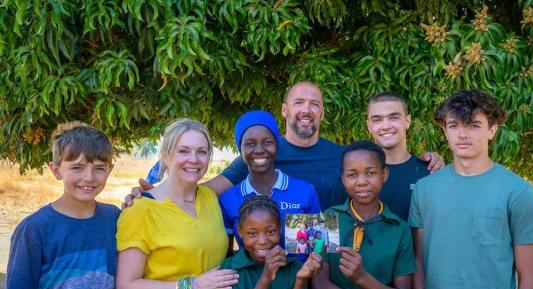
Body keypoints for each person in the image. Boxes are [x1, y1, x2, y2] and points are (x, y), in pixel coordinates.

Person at [125, 82, 444, 210]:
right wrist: (153, 196)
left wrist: (428, 159)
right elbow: (208, 189)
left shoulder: (340, 155)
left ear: (321, 112)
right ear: (285, 110)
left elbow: (377, 171)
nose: (307, 109)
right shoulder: (262, 154)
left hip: (324, 263)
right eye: (299, 102)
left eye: (314, 104)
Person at [409, 90, 533, 289]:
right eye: (454, 125)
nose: (462, 134)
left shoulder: (518, 193)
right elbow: (419, 261)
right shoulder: (424, 190)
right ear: (445, 131)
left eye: (473, 125)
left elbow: (531, 278)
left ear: (492, 130)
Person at [115, 119, 239, 289]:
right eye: (183, 151)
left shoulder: (210, 198)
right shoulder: (141, 210)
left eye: (201, 152)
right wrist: (192, 286)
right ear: (165, 155)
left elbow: (249, 159)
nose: (194, 159)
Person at [4, 122, 119, 289]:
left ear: (110, 169)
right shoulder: (34, 229)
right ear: (56, 170)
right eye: (77, 167)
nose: (89, 177)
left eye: (99, 168)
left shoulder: (114, 218)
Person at [312, 141, 416, 289]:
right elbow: (320, 287)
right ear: (343, 178)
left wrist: (362, 277)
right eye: (352, 174)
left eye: (371, 172)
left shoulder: (399, 229)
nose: (362, 181)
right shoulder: (327, 219)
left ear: (384, 174)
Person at [218, 110, 321, 250]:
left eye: (267, 142)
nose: (259, 149)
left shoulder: (305, 191)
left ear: (277, 146)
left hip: (299, 272)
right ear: (239, 149)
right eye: (249, 144)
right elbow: (227, 255)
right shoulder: (227, 199)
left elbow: (317, 251)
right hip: (251, 273)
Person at [330, 91, 430, 220]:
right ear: (369, 126)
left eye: (393, 117)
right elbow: (332, 231)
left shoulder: (427, 173)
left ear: (407, 121)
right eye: (377, 119)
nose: (386, 126)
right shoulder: (353, 178)